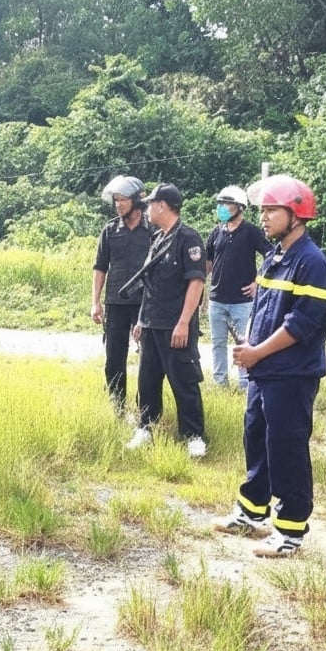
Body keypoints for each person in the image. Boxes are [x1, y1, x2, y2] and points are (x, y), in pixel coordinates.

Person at [212, 175, 326, 557]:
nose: (263, 217)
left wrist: (258, 352)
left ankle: (290, 531)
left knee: (287, 448)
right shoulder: (274, 257)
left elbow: (302, 324)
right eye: (262, 210)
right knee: (257, 438)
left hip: (291, 373)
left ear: (296, 214)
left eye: (271, 210)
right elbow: (264, 309)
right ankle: (252, 510)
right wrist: (250, 344)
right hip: (263, 370)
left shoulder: (312, 263)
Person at [125, 183, 208, 458]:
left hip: (176, 325)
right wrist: (141, 320)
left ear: (162, 206)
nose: (147, 209)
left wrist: (184, 322)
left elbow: (196, 283)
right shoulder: (158, 238)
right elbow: (150, 285)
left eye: (150, 204)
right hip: (151, 323)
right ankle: (145, 428)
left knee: (184, 381)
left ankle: (193, 435)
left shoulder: (188, 238)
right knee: (147, 381)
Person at [91, 175, 152, 412]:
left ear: (136, 200)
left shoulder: (152, 228)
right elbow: (100, 267)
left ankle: (145, 409)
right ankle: (117, 407)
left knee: (148, 357)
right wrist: (95, 302)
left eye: (123, 199)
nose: (118, 204)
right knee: (114, 357)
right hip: (115, 303)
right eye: (116, 200)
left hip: (144, 303)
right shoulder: (110, 230)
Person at [205, 185, 273, 388]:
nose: (222, 208)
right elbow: (207, 263)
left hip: (242, 301)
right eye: (221, 203)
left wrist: (257, 282)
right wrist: (198, 286)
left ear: (240, 207)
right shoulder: (216, 232)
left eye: (227, 204)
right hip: (217, 299)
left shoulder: (251, 232)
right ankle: (220, 383)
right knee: (218, 343)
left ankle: (245, 383)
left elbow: (270, 255)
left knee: (243, 344)